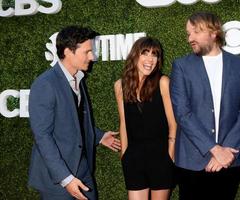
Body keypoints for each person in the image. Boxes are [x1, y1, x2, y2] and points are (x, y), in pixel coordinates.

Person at [28, 25, 121, 200]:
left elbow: (73, 120)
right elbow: (42, 136)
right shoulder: (45, 84)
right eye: (87, 52)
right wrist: (65, 178)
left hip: (83, 169)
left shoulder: (78, 78)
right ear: (68, 52)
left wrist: (98, 136)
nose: (92, 57)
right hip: (56, 178)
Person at [170, 11, 240, 200]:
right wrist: (215, 149)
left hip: (231, 158)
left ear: (214, 32)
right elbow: (182, 112)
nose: (189, 38)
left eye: (195, 32)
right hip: (192, 159)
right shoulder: (181, 66)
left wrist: (226, 151)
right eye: (188, 33)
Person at [114, 36, 177, 200]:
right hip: (133, 157)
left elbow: (173, 123)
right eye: (145, 53)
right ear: (135, 55)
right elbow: (123, 122)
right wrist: (124, 154)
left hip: (161, 156)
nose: (150, 59)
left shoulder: (163, 82)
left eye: (155, 55)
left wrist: (170, 153)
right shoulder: (120, 85)